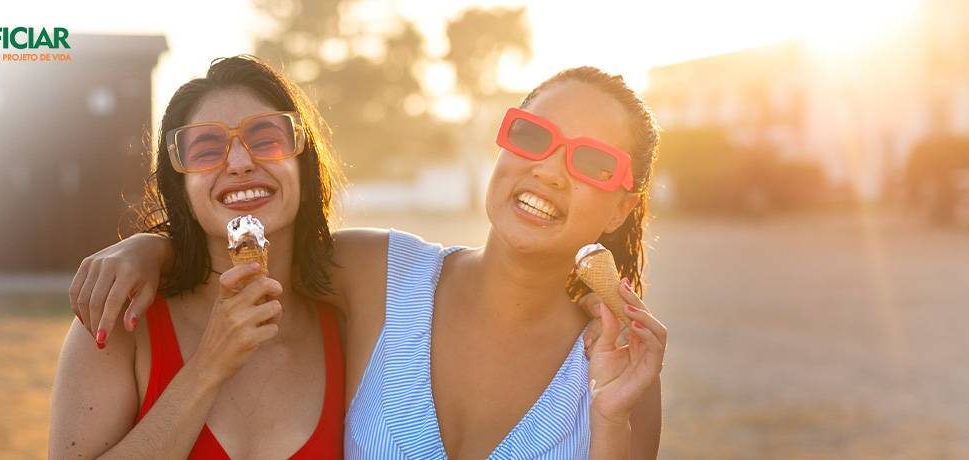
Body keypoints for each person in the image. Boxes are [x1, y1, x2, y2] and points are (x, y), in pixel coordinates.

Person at [71, 65, 667, 459]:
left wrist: (611, 422)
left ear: (622, 208)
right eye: (533, 137)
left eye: (591, 161)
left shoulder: (621, 369)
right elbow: (259, 234)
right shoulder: (378, 273)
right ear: (503, 145)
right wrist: (150, 247)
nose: (549, 170)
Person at [49, 55, 348, 459]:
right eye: (207, 150)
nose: (241, 163)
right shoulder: (120, 320)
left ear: (303, 165)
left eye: (266, 140)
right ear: (182, 191)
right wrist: (210, 364)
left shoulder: (353, 325)